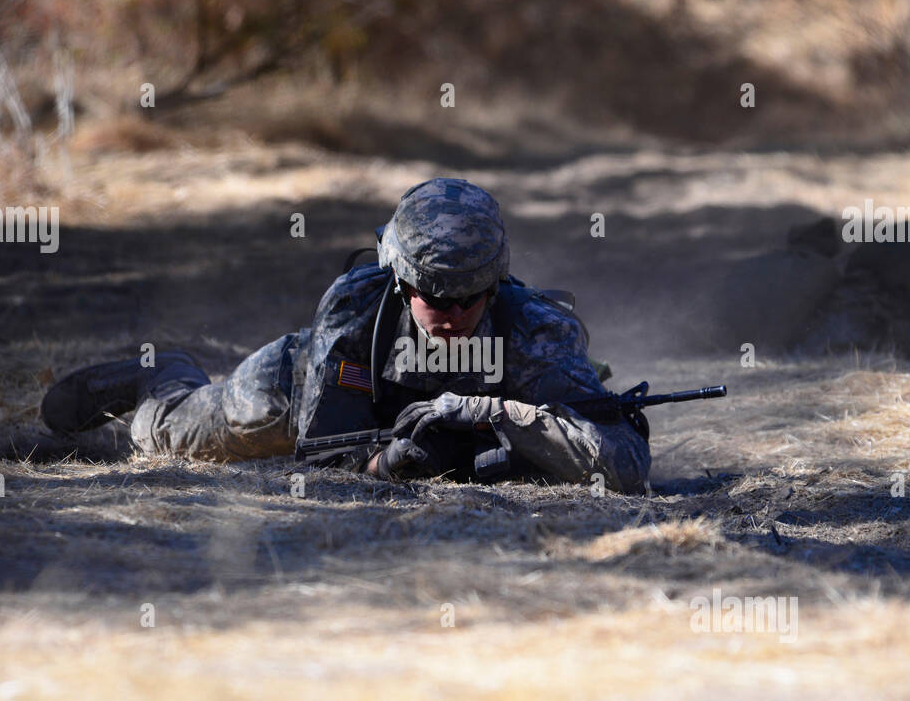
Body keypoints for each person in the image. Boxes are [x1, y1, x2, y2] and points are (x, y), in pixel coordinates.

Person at [40, 178, 650, 492]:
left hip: (466, 407)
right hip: (290, 391)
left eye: (472, 297)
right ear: (403, 280)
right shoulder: (358, 307)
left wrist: (496, 415)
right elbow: (321, 449)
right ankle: (161, 376)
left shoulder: (535, 330)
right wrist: (385, 462)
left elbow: (622, 464)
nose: (454, 312)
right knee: (169, 434)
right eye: (435, 297)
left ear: (496, 285)